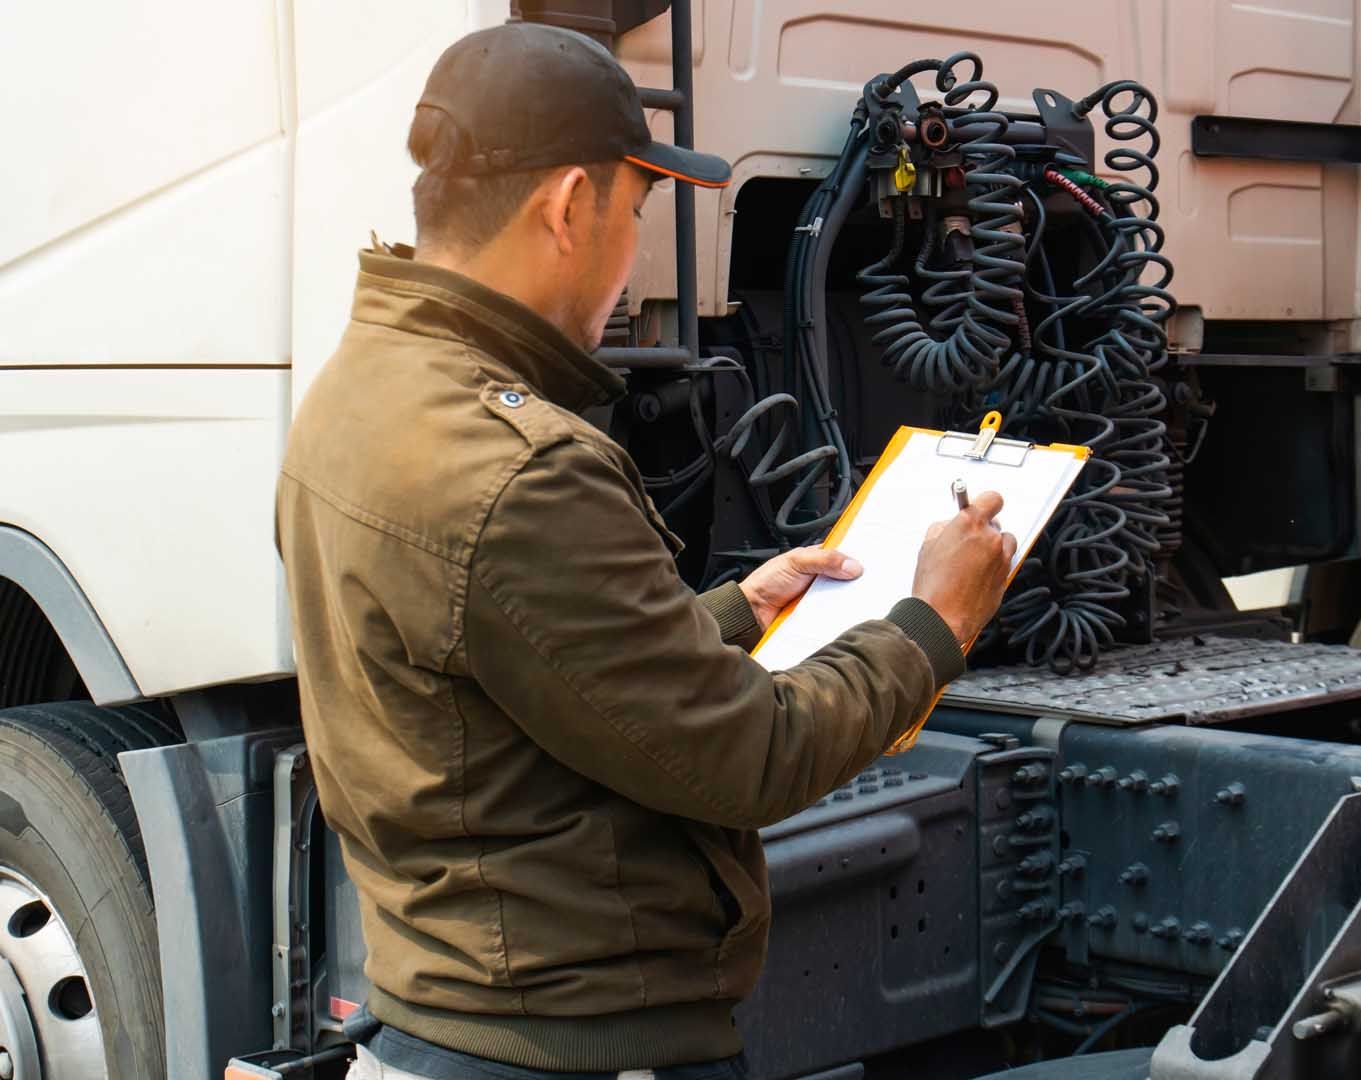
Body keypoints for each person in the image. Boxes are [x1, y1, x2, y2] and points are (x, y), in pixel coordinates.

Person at [275, 21, 1016, 1080]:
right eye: (635, 208)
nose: (632, 247)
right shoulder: (521, 466)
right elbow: (747, 758)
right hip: (571, 1045)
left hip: (453, 1009)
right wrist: (933, 624)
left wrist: (726, 614)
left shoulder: (359, 392)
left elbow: (490, 656)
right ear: (569, 206)